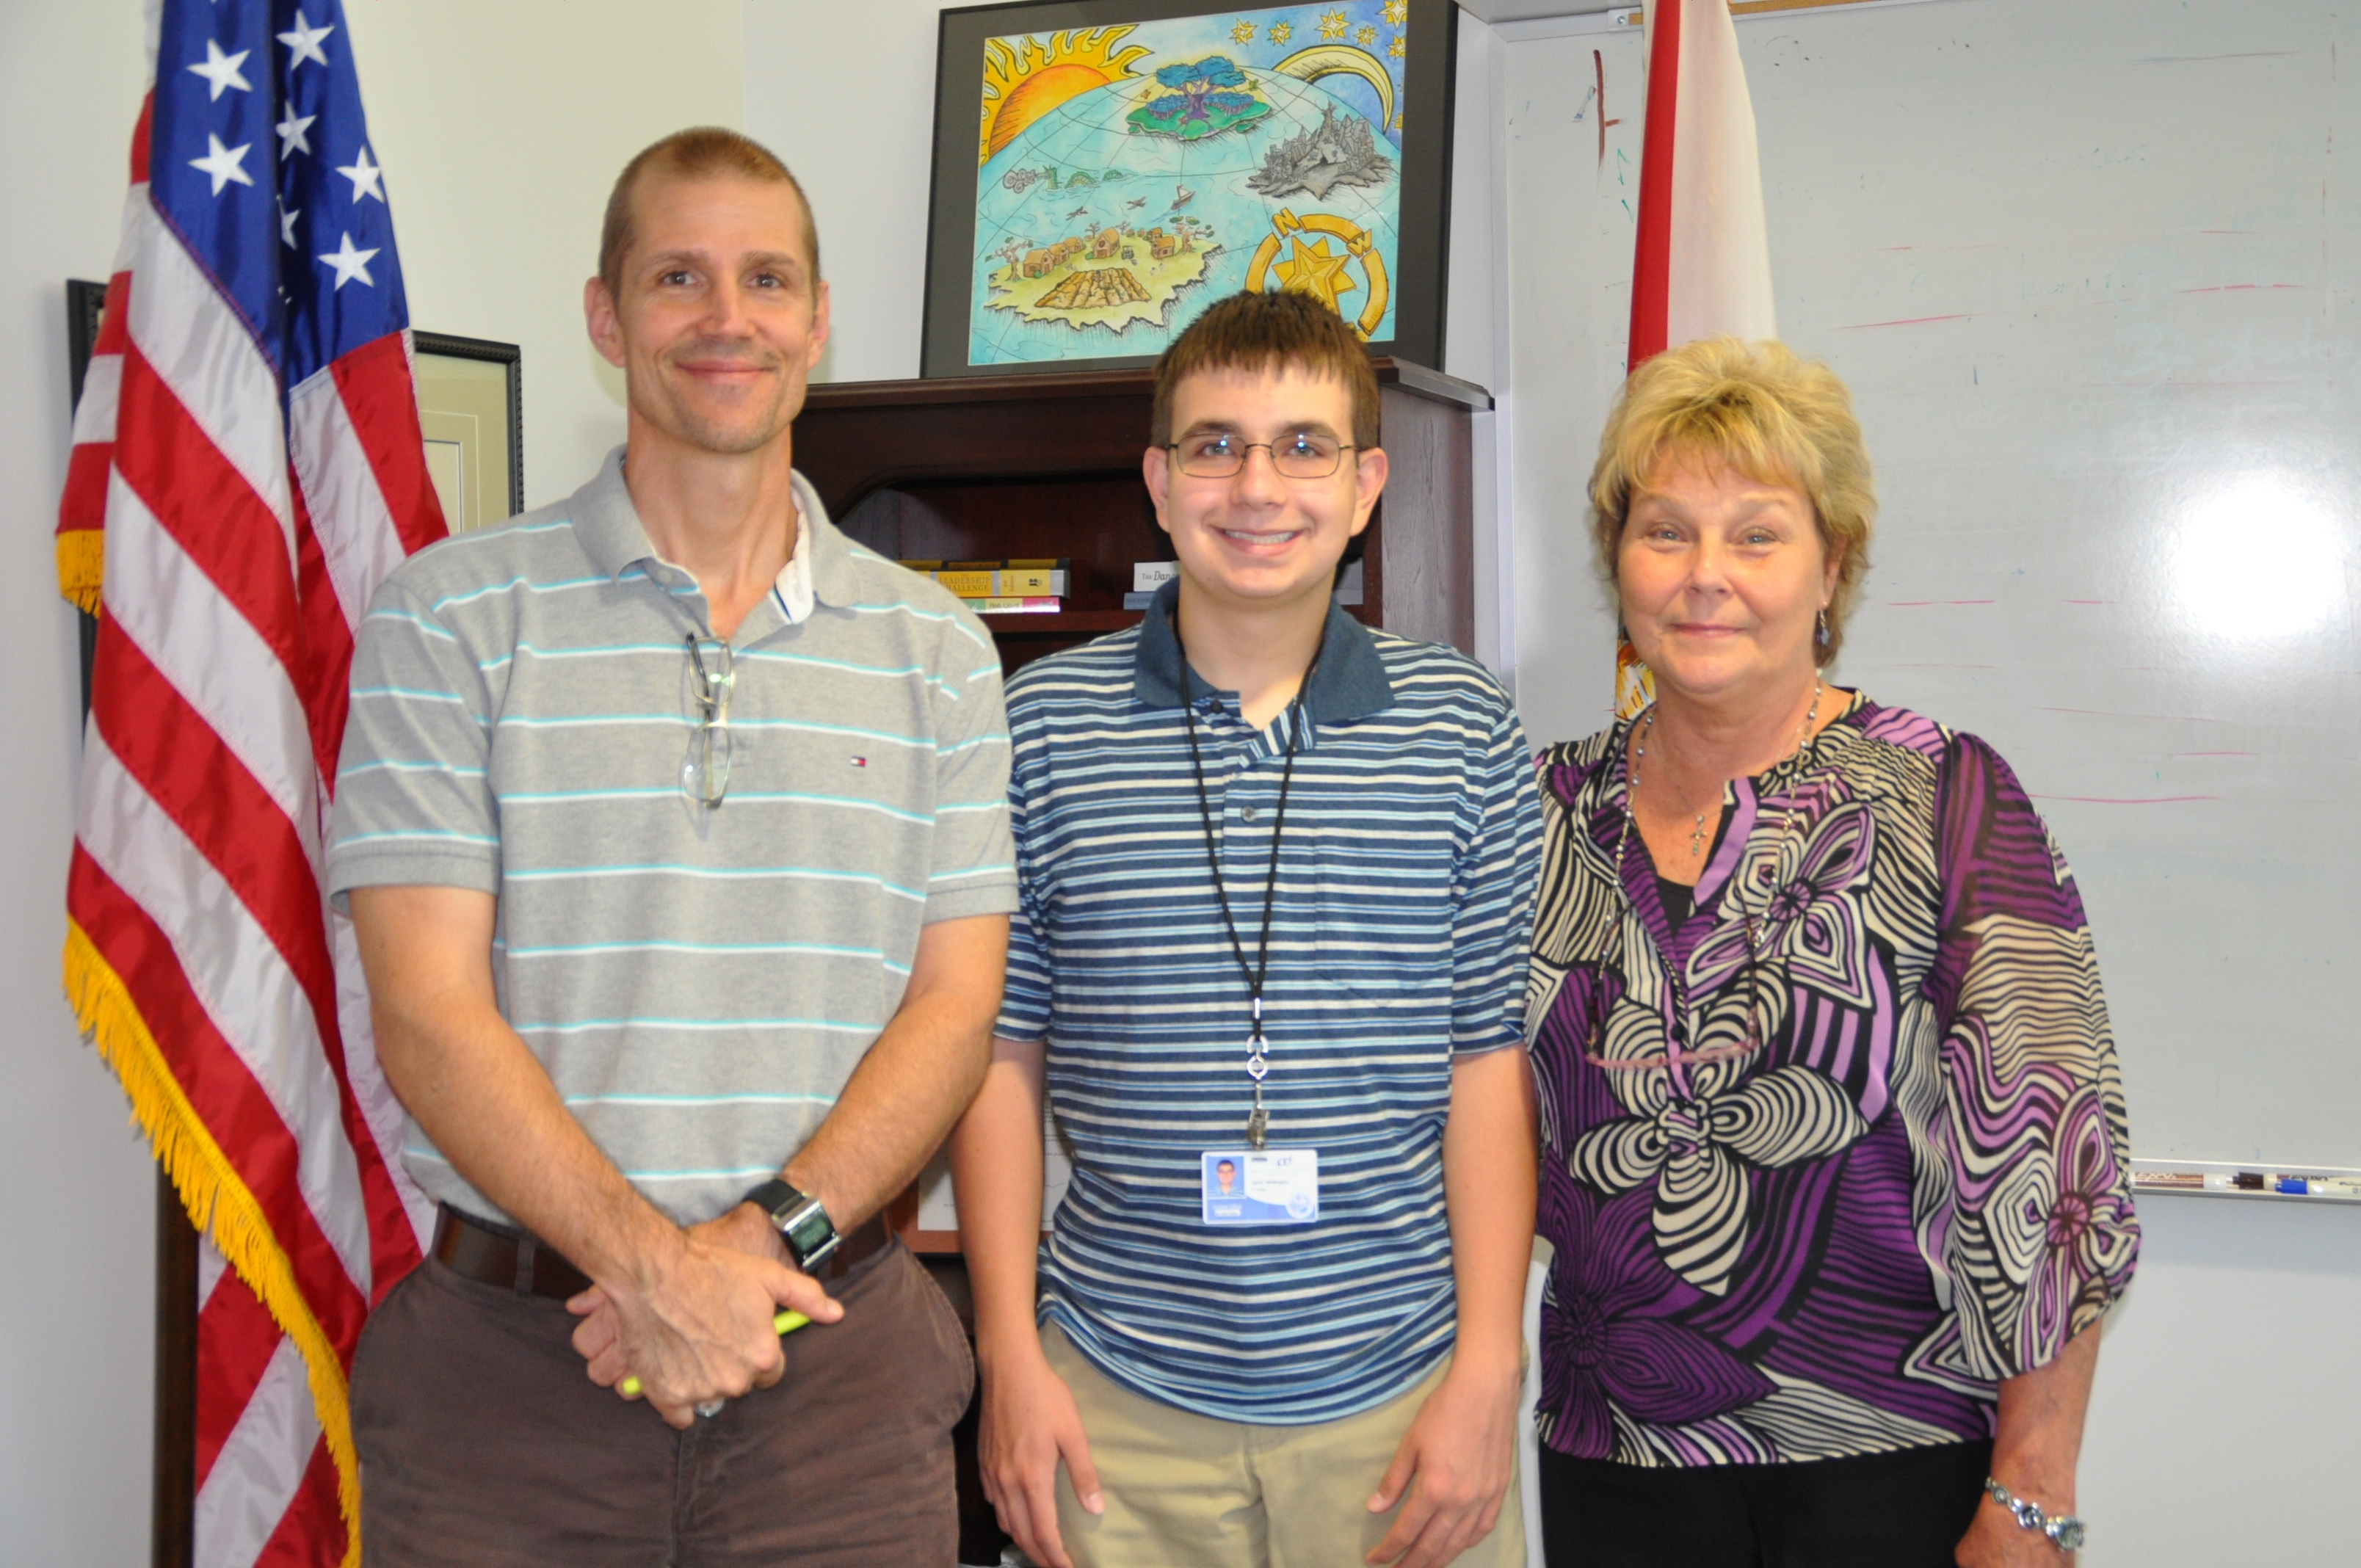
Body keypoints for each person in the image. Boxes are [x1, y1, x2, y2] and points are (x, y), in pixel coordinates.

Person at [328, 128, 1014, 1565]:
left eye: (768, 279)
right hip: (512, 1393)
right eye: (679, 277)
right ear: (606, 314)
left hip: (837, 1386)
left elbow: (952, 1010)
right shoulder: (447, 620)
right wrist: (650, 1270)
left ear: (818, 322)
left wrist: (757, 1252)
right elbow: (426, 1013)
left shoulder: (937, 648)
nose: (727, 318)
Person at [949, 289, 1545, 1568]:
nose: (1257, 486)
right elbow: (999, 1054)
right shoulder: (1041, 728)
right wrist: (1012, 1356)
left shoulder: (1462, 729)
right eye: (1216, 445)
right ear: (1160, 482)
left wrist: (1490, 1369)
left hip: (1399, 1401)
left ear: (1369, 482)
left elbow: (1485, 1061)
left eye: (1303, 446)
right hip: (1114, 1405)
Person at [1525, 336, 2138, 1567]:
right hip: (1610, 1454)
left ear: (1831, 566)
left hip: (1890, 1463)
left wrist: (2033, 1491)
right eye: (1666, 532)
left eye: (1757, 534)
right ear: (1618, 565)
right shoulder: (1539, 811)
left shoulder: (1945, 797)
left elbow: (2053, 1172)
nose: (1707, 577)